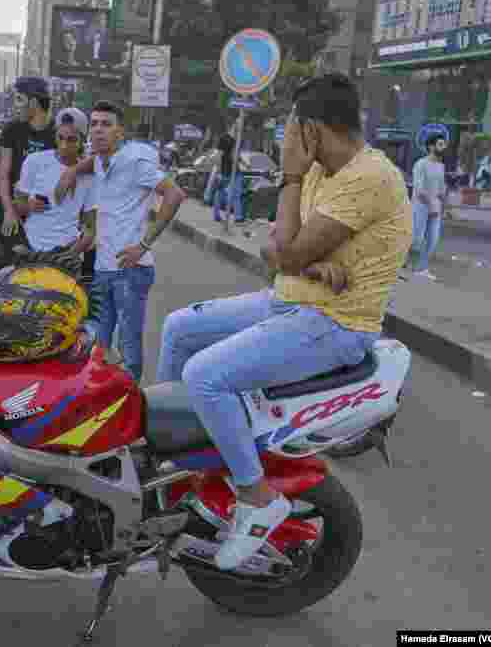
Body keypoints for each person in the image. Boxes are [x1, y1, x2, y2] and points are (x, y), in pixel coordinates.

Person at [156, 74, 412, 571]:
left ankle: (256, 497)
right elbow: (274, 252)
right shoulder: (322, 168)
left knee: (205, 377)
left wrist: (291, 185)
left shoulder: (368, 177)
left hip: (333, 322)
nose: (285, 138)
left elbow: (287, 251)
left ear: (313, 130)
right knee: (179, 328)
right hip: (291, 300)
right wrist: (305, 262)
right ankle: (178, 462)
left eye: (291, 127)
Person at [59, 101, 186, 382]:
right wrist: (72, 171)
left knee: (128, 350)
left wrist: (143, 245)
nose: (98, 130)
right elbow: (93, 162)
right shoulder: (102, 161)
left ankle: (134, 409)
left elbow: (175, 195)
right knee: (100, 348)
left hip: (130, 270)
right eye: (94, 124)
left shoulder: (133, 160)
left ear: (120, 132)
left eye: (107, 124)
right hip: (104, 268)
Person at [14, 108, 95, 255]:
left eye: (71, 139)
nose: (64, 145)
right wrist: (29, 206)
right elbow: (17, 206)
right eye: (60, 137)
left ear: (83, 140)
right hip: (31, 248)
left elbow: (90, 228)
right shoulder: (34, 162)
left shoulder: (89, 176)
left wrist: (70, 255)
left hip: (68, 249)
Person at [0, 76, 56, 239]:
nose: (15, 106)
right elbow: (3, 176)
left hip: (44, 207)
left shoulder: (59, 133)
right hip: (10, 204)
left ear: (34, 103)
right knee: (16, 246)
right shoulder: (11, 130)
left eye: (19, 100)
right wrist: (9, 211)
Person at [409, 134, 447, 281]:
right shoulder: (421, 164)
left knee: (433, 239)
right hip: (420, 206)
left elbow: (441, 187)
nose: (443, 147)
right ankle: (404, 260)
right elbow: (419, 189)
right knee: (417, 239)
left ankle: (421, 268)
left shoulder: (441, 165)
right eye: (440, 144)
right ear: (431, 146)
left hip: (435, 207)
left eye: (444, 144)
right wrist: (430, 203)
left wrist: (444, 202)